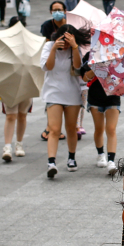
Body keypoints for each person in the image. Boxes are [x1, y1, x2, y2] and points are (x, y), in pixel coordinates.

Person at [40, 25, 90, 178]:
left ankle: (71, 158)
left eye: (69, 41)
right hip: (53, 93)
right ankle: (51, 162)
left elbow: (77, 67)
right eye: (64, 40)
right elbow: (48, 67)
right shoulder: (49, 46)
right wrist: (54, 48)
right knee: (54, 129)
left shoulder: (75, 48)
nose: (66, 44)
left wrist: (74, 47)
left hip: (72, 94)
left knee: (70, 129)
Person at [86, 70, 120, 176]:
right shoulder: (91, 56)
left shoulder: (117, 56)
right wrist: (96, 69)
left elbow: (123, 76)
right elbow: (84, 78)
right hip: (95, 97)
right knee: (99, 128)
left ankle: (111, 161)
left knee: (111, 129)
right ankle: (100, 154)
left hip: (113, 96)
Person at [1, 96, 30, 162]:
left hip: (26, 88)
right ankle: (7, 147)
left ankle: (19, 144)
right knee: (10, 116)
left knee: (22, 115)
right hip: (9, 87)